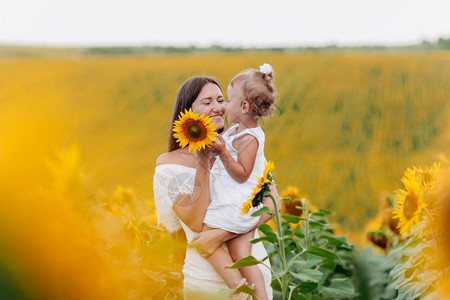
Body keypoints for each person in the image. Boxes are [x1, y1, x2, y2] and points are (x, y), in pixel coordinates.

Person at [153, 76, 279, 299]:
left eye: (221, 100)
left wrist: (223, 233)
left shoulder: (239, 147)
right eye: (207, 102)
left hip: (254, 268)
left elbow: (272, 202)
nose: (218, 108)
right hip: (207, 285)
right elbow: (195, 221)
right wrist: (203, 164)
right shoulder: (169, 165)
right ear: (188, 112)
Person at [202, 64, 277, 300]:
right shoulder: (236, 130)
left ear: (243, 106)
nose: (223, 107)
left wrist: (223, 153)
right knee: (241, 254)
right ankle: (250, 292)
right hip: (239, 203)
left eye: (228, 99)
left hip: (236, 205)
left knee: (205, 241)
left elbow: (242, 173)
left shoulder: (250, 138)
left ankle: (241, 289)